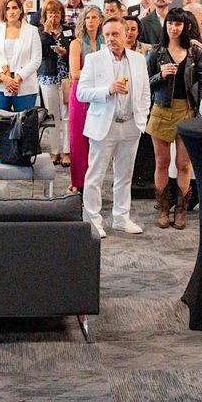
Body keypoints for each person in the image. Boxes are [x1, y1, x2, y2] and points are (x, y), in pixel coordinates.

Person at [78, 15, 152, 237]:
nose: (111, 38)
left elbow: (145, 92)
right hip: (104, 125)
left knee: (125, 175)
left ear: (126, 34)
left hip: (131, 125)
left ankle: (121, 218)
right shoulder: (93, 59)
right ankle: (92, 220)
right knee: (95, 175)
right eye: (107, 34)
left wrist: (142, 117)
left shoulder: (139, 59)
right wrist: (107, 90)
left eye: (115, 34)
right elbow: (81, 93)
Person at [147, 7, 202, 229]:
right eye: (170, 23)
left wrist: (200, 106)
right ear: (165, 25)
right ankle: (163, 208)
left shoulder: (194, 51)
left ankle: (181, 210)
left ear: (185, 26)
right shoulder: (156, 52)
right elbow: (145, 83)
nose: (173, 28)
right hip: (160, 109)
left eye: (177, 24)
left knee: (184, 164)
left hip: (186, 109)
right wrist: (161, 75)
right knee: (161, 162)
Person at [67, 5, 104, 193]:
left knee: (97, 141)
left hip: (100, 94)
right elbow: (75, 73)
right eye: (87, 17)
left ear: (100, 20)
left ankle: (93, 182)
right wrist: (100, 74)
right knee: (79, 140)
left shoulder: (105, 41)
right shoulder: (77, 43)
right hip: (81, 94)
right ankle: (78, 182)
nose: (90, 21)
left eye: (94, 17)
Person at [0, 0, 42, 111]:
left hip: (25, 86)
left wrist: (17, 79)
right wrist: (5, 78)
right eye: (7, 8)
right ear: (4, 12)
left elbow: (36, 60)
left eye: (14, 8)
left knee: (25, 121)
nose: (11, 12)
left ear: (20, 10)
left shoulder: (32, 31)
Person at [38, 0, 70, 164]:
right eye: (50, 13)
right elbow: (41, 52)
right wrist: (47, 32)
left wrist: (65, 53)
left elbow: (74, 51)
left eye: (57, 13)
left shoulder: (69, 31)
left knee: (67, 115)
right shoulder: (40, 32)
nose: (54, 17)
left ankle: (67, 151)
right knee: (52, 114)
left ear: (62, 15)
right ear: (45, 15)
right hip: (48, 77)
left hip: (65, 77)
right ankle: (55, 150)